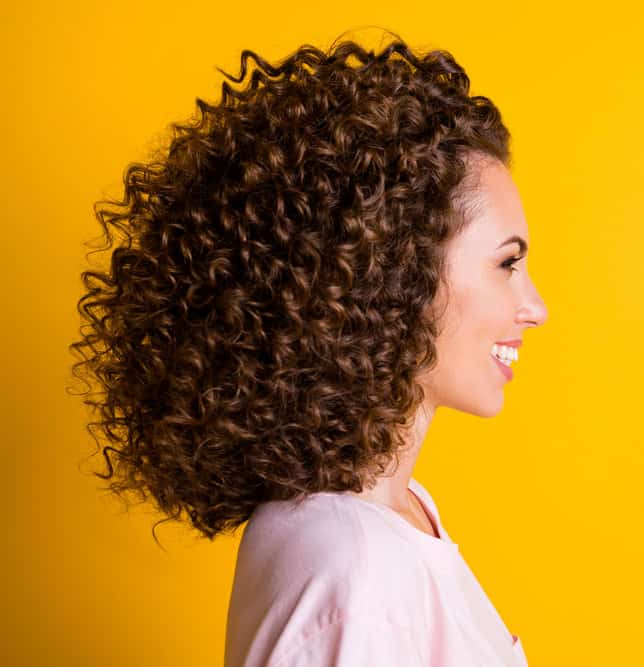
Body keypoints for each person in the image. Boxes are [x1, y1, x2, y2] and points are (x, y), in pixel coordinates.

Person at [70, 30, 547, 666]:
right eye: (506, 263)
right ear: (393, 274)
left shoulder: (403, 516)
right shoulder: (353, 565)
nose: (535, 308)